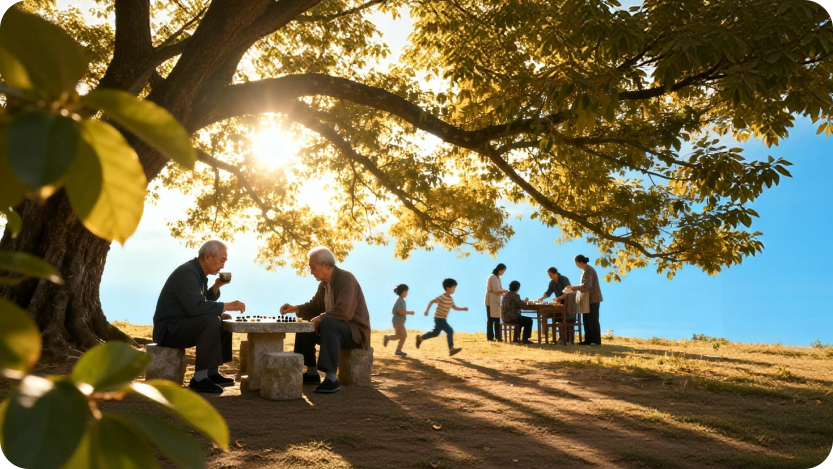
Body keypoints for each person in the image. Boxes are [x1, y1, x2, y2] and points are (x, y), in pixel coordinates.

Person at [153, 240, 246, 394]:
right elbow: (196, 307)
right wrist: (227, 304)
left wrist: (216, 287)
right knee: (210, 319)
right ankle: (199, 379)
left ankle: (212, 373)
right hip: (170, 331)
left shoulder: (198, 273)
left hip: (182, 325)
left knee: (224, 318)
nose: (223, 266)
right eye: (221, 260)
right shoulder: (187, 273)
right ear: (208, 256)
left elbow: (199, 301)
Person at [280, 247, 371, 394]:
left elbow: (345, 312)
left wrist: (321, 318)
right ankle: (311, 373)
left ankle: (331, 379)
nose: (311, 272)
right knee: (305, 325)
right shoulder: (323, 285)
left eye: (313, 267)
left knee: (327, 323)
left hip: (354, 332)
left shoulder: (346, 278)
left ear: (326, 265)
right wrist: (294, 308)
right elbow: (314, 306)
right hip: (336, 329)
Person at [415, 278, 468, 356]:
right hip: (438, 318)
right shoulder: (442, 297)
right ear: (447, 288)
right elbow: (432, 301)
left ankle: (420, 338)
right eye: (453, 288)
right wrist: (427, 311)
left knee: (435, 333)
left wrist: (463, 309)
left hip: (443, 318)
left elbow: (454, 307)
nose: (454, 290)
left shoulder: (451, 299)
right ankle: (451, 349)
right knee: (450, 330)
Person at [567, 254, 604, 346]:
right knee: (586, 320)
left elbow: (587, 285)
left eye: (576, 263)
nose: (576, 264)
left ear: (581, 262)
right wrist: (574, 287)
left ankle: (595, 341)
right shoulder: (584, 271)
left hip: (593, 299)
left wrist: (575, 288)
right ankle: (588, 340)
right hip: (586, 300)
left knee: (593, 320)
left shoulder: (589, 270)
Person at [537, 267, 576, 343]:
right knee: (551, 315)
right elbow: (548, 292)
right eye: (549, 275)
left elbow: (568, 291)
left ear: (556, 273)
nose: (550, 276)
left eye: (551, 275)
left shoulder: (564, 279)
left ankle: (568, 339)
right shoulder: (552, 283)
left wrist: (560, 297)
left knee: (567, 319)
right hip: (559, 304)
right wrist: (541, 298)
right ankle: (557, 337)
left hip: (568, 303)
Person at [383, 284, 414, 356]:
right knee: (403, 336)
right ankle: (398, 350)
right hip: (398, 322)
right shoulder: (399, 301)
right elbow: (399, 311)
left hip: (398, 322)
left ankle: (387, 338)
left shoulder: (402, 301)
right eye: (406, 291)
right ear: (402, 292)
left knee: (399, 335)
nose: (407, 293)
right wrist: (409, 312)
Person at [484, 263, 508, 341]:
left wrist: (503, 294)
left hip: (496, 299)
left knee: (497, 319)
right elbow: (495, 289)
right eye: (503, 271)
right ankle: (490, 337)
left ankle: (498, 336)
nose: (503, 272)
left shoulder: (498, 278)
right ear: (499, 270)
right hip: (491, 299)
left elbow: (499, 288)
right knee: (491, 319)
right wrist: (504, 291)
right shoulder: (493, 277)